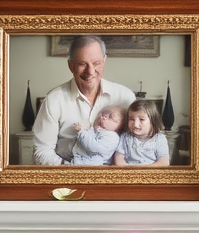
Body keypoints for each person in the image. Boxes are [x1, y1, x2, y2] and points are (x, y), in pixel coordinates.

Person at [32, 35, 135, 165]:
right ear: (71, 66)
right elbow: (42, 151)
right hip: (69, 173)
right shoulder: (54, 100)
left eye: (96, 63)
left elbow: (136, 143)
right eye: (82, 64)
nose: (90, 71)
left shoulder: (125, 97)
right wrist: (73, 170)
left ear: (104, 61)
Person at [113, 100, 170, 167]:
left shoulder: (160, 138)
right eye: (132, 119)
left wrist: (143, 171)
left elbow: (164, 162)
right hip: (129, 172)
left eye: (142, 119)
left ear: (152, 121)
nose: (135, 125)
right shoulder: (125, 137)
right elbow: (118, 160)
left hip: (151, 172)